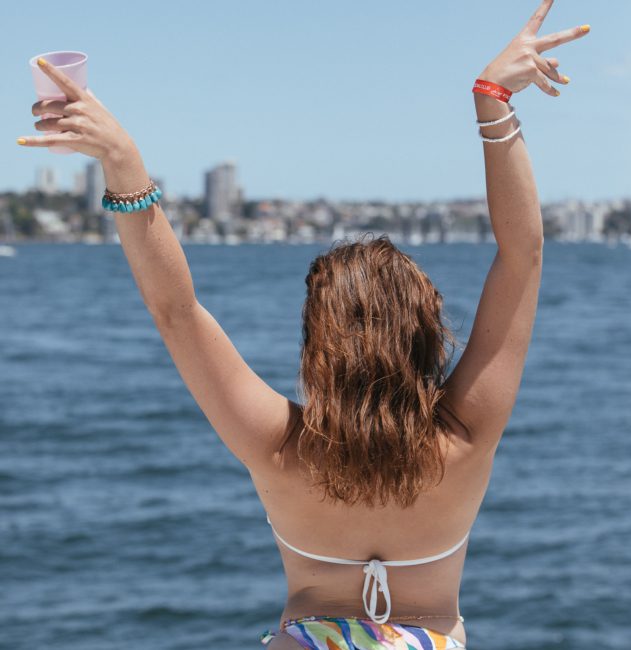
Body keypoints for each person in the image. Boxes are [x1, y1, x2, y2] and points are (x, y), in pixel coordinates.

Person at [18, 1, 590, 647]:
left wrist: (123, 161)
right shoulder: (464, 436)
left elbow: (176, 312)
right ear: (426, 332)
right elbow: (524, 254)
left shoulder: (281, 447)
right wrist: (492, 99)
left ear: (319, 345)